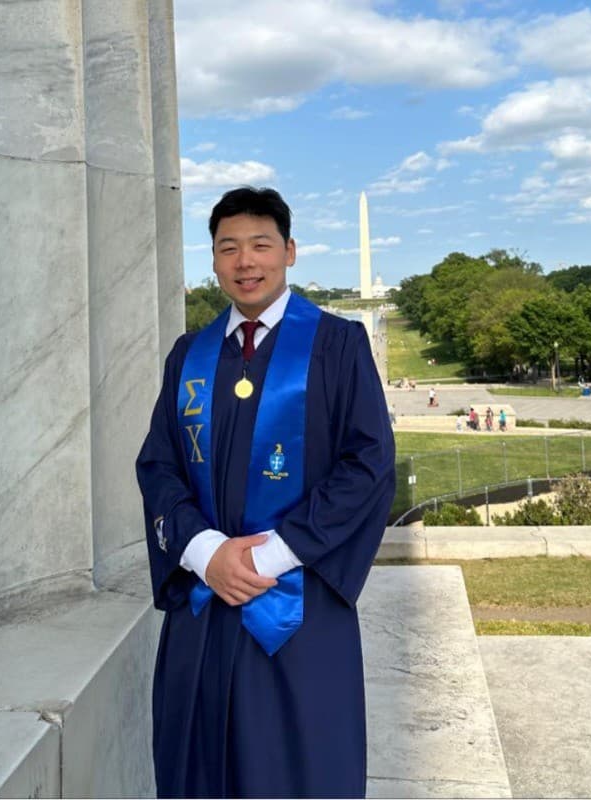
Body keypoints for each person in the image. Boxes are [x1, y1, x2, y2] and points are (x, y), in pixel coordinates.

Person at [136, 187, 396, 798]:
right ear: (214, 260)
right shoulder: (190, 356)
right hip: (204, 605)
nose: (245, 261)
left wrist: (271, 555)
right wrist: (204, 552)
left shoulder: (336, 345)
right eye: (228, 248)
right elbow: (159, 465)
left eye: (261, 244)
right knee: (197, 769)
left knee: (295, 770)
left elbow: (368, 464)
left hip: (297, 607)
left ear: (290, 252)